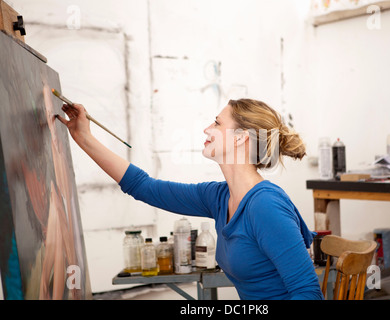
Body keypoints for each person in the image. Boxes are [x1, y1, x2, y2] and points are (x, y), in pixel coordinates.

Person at [56, 98, 324, 300]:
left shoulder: (265, 206)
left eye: (217, 123)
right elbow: (144, 187)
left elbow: (307, 292)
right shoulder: (220, 197)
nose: (207, 129)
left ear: (240, 138)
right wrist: (83, 137)